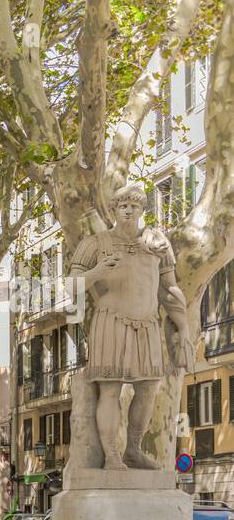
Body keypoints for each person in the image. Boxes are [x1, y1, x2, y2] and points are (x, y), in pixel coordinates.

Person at [70, 184, 191, 469]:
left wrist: (183, 326)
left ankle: (133, 449)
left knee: (149, 387)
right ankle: (111, 454)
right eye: (122, 205)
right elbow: (70, 286)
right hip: (110, 321)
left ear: (141, 210)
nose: (127, 210)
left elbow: (169, 288)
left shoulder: (157, 243)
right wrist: (98, 271)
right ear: (113, 209)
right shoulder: (95, 243)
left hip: (148, 324)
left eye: (133, 206)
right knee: (110, 389)